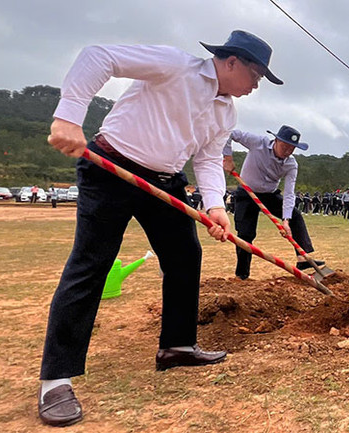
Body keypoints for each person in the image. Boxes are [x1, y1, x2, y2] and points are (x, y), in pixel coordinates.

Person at [39, 30, 282, 427]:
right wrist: (68, 116)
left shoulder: (226, 113)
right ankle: (56, 380)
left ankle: (177, 346)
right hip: (111, 169)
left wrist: (216, 207)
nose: (257, 84)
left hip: (166, 182)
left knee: (186, 257)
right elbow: (98, 56)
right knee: (91, 265)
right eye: (256, 74)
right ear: (232, 61)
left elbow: (205, 159)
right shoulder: (175, 65)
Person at [223, 125, 324, 279]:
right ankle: (242, 275)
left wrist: (286, 220)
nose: (288, 151)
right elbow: (229, 133)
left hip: (269, 195)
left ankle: (303, 259)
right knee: (245, 234)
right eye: (285, 146)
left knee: (295, 216)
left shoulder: (291, 164)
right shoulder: (258, 142)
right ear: (276, 140)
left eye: (292, 148)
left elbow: (289, 194)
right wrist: (228, 157)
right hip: (246, 192)